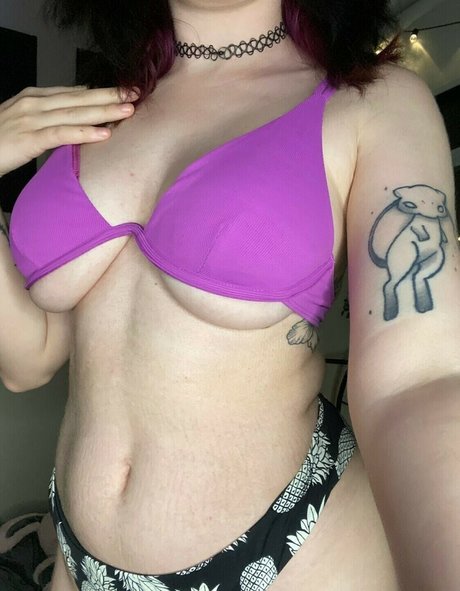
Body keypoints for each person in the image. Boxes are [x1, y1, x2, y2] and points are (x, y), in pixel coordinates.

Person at [0, 0, 459, 589]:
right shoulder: (95, 109)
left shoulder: (371, 99)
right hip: (78, 557)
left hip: (292, 552)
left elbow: (417, 383)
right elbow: (29, 360)